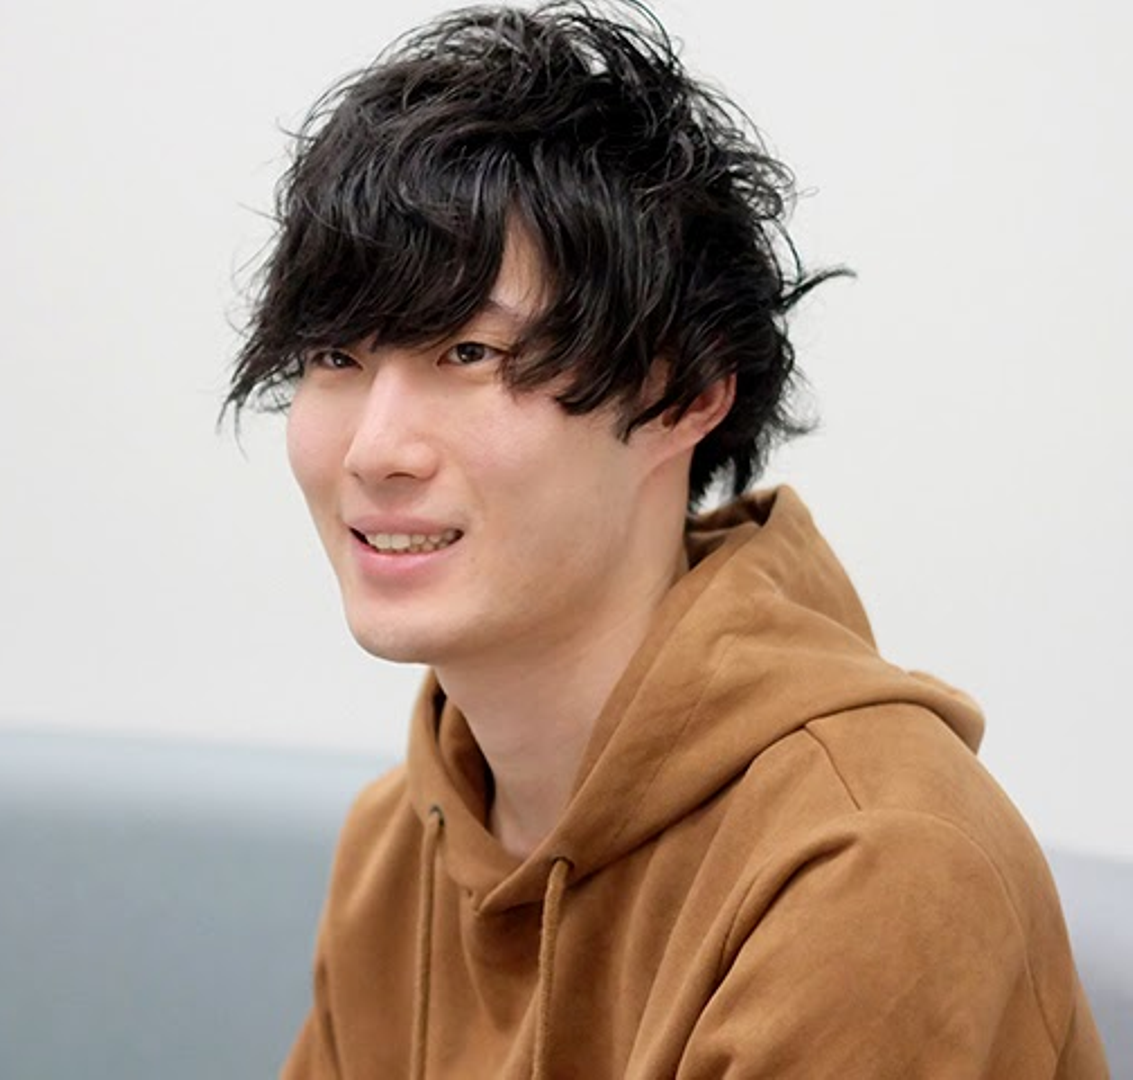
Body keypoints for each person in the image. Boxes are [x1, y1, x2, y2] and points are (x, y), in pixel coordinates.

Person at [224, 2, 1109, 1076]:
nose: (374, 450)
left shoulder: (871, 858)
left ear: (683, 395)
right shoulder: (400, 842)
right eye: (334, 358)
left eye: (467, 353)